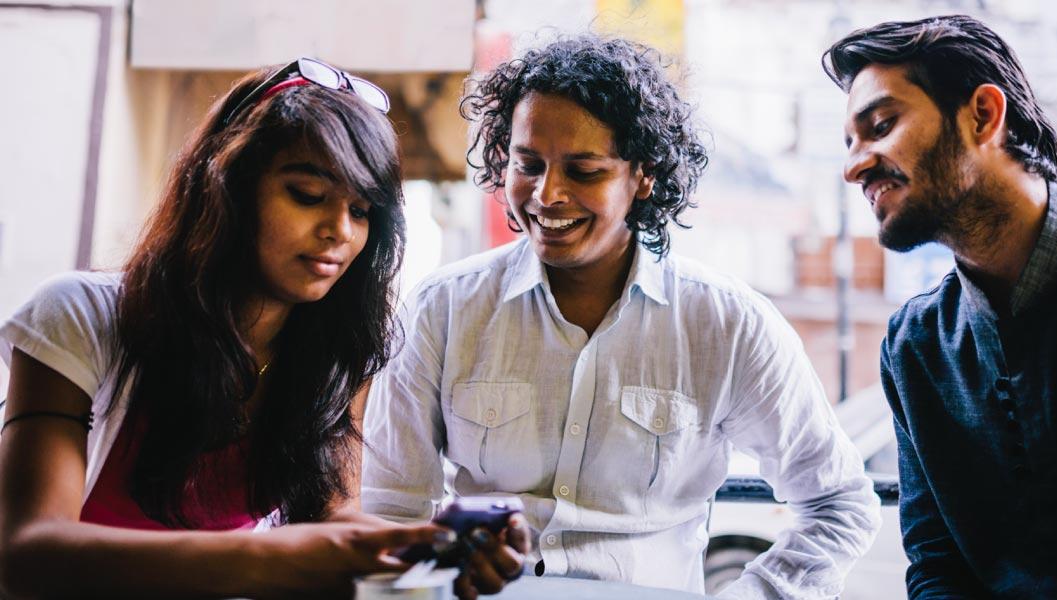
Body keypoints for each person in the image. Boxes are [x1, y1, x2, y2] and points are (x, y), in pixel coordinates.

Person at [362, 35, 881, 599]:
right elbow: (390, 510)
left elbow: (839, 502)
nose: (547, 194)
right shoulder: (441, 308)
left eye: (584, 171)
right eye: (527, 164)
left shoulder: (728, 324)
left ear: (644, 175)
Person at [0, 57, 526, 599]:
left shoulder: (337, 354)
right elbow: (27, 555)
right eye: (307, 195)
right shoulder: (78, 317)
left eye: (362, 209)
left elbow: (331, 519)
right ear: (225, 185)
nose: (339, 231)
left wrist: (431, 546)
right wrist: (276, 556)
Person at [825, 15, 1057, 598]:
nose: (854, 166)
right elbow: (935, 567)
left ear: (983, 115)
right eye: (849, 144)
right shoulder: (915, 346)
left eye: (880, 125)